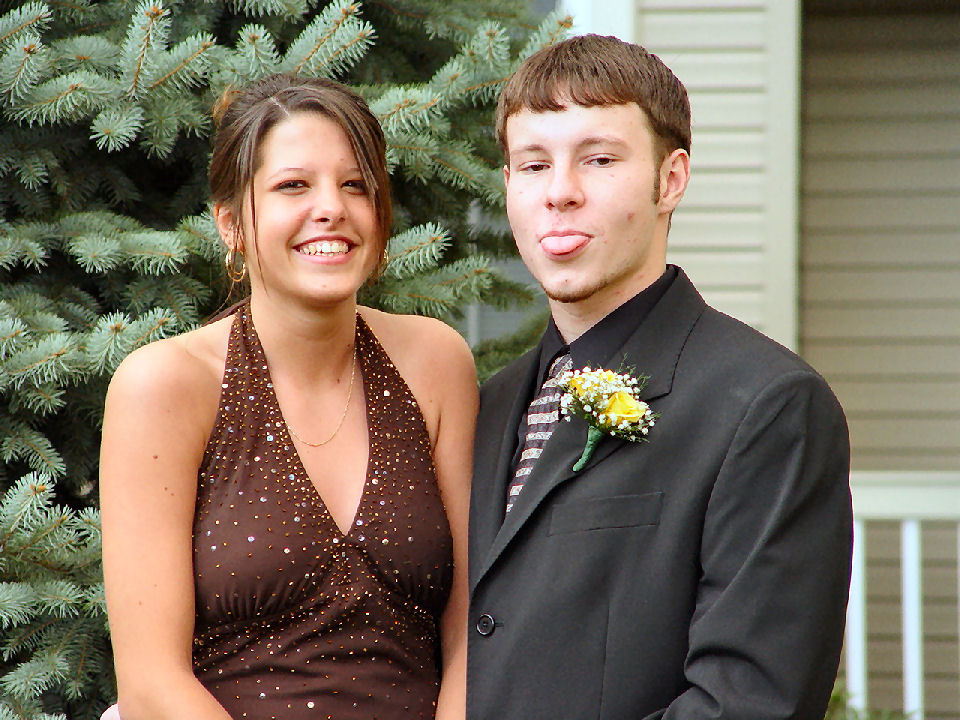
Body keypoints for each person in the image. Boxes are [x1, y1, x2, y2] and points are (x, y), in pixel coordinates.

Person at [467, 35, 852, 719]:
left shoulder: (767, 406)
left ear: (670, 180)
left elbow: (751, 703)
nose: (559, 193)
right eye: (533, 164)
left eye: (599, 159)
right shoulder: (489, 405)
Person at [100, 74, 476, 720]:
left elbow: (474, 629)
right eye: (293, 186)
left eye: (355, 185)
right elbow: (151, 684)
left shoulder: (435, 364)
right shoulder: (164, 387)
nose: (332, 207)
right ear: (231, 224)